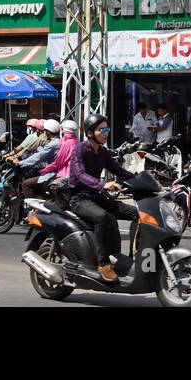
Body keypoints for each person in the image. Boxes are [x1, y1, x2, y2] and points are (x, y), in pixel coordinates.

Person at [67, 114, 138, 282]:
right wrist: (102, 185)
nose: (106, 133)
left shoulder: (103, 152)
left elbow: (119, 171)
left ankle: (131, 257)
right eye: (101, 130)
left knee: (137, 213)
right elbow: (80, 174)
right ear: (90, 133)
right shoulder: (80, 149)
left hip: (96, 197)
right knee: (102, 217)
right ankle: (103, 263)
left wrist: (142, 180)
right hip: (79, 199)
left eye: (107, 129)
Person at [17, 120, 62, 199]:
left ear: (48, 131)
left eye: (45, 131)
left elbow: (38, 157)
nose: (44, 133)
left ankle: (33, 209)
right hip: (54, 170)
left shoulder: (52, 144)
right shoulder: (60, 141)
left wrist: (20, 163)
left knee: (25, 184)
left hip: (52, 174)